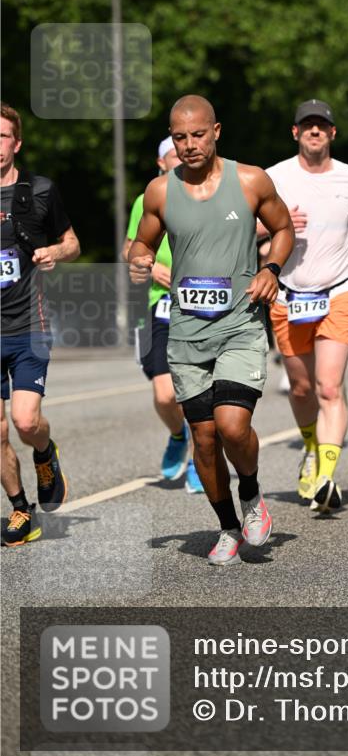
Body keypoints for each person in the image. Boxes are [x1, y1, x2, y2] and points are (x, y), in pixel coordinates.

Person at [128, 96, 294, 565]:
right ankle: (227, 527)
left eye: (198, 134)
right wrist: (139, 260)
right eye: (180, 137)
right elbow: (141, 243)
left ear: (216, 131)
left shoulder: (250, 180)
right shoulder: (160, 191)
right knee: (203, 437)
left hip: (240, 323)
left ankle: (252, 493)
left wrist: (272, 269)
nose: (189, 145)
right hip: (186, 331)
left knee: (232, 426)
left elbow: (283, 229)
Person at [265, 99, 348, 512]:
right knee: (301, 388)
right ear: (295, 132)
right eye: (307, 125)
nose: (315, 131)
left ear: (332, 133)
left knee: (329, 387)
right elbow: (246, 226)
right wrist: (275, 224)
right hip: (288, 293)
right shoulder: (273, 177)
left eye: (322, 125)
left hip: (339, 291)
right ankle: (311, 448)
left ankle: (327, 477)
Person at [1, 103, 80, 546]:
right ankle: (20, 509)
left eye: (2, 136)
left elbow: (72, 243)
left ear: (17, 143)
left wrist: (55, 252)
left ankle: (45, 454)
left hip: (29, 325)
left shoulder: (40, 191)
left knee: (26, 422)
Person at [122, 137, 203, 493]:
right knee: (165, 395)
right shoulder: (147, 199)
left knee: (198, 390)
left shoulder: (207, 195)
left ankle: (201, 461)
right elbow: (129, 248)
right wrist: (151, 266)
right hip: (160, 305)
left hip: (201, 303)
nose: (182, 156)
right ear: (161, 163)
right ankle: (178, 434)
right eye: (173, 153)